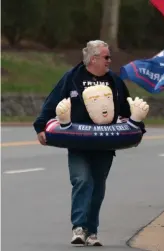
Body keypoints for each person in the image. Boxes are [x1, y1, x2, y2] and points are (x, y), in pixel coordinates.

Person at [33, 40, 145, 246]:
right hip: (78, 142)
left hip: (105, 144)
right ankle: (78, 227)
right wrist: (41, 126)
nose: (110, 61)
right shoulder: (72, 78)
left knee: (97, 187)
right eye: (106, 57)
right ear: (93, 59)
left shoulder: (114, 81)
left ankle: (91, 231)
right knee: (82, 180)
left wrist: (138, 128)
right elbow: (53, 102)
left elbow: (127, 110)